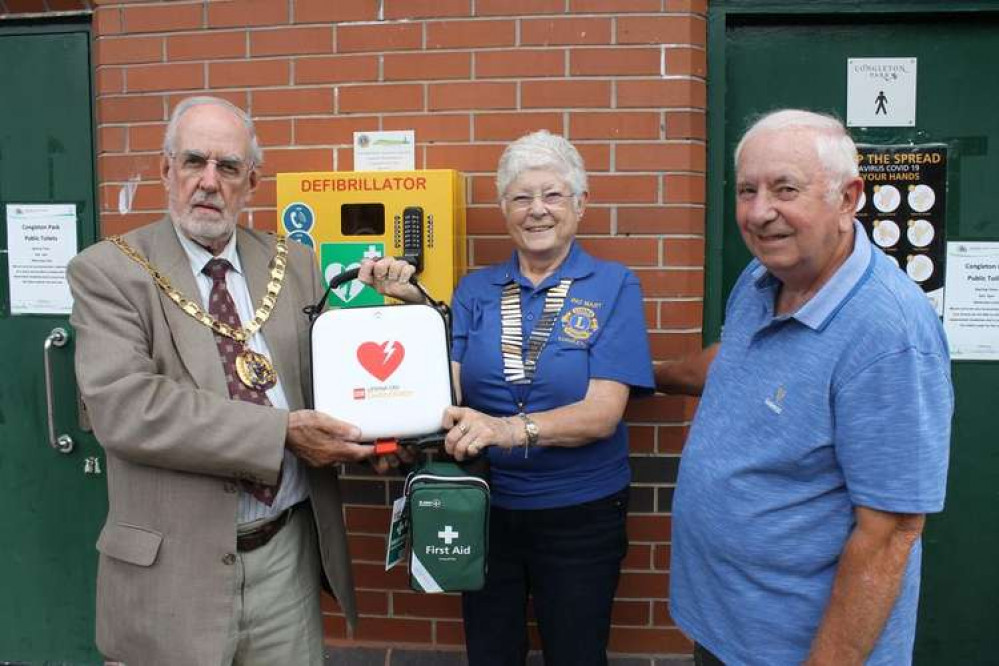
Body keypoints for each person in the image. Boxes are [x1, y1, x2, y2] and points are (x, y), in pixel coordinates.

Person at [67, 96, 383, 666]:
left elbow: (336, 380)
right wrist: (281, 433)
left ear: (252, 181)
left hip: (285, 558)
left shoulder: (296, 264)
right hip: (172, 574)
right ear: (166, 170)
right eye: (193, 162)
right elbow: (127, 408)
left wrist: (384, 426)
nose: (209, 182)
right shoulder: (109, 270)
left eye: (228, 167)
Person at [656, 109, 953, 665]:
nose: (760, 212)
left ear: (847, 199)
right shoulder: (763, 276)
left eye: (785, 189)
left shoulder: (888, 334)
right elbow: (738, 362)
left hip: (795, 649)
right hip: (727, 627)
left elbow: (890, 533)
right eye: (747, 190)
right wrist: (649, 377)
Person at [361, 129, 654, 666]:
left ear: (580, 205)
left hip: (580, 514)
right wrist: (408, 319)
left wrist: (505, 430)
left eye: (552, 195)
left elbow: (603, 414)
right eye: (521, 197)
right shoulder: (475, 291)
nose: (536, 210)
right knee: (491, 653)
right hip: (483, 506)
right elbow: (440, 389)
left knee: (576, 654)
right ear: (503, 209)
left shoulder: (613, 285)